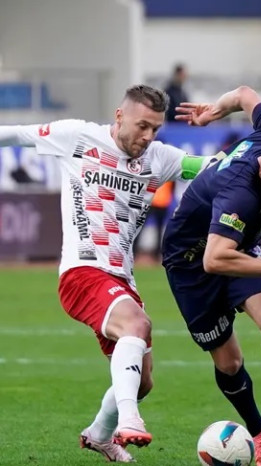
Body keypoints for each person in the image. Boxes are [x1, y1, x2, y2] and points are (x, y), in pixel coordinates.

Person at [0, 84, 218, 462]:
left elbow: (212, 168)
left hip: (121, 279)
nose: (148, 136)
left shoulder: (160, 158)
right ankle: (129, 421)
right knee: (138, 325)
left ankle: (99, 434)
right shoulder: (78, 136)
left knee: (143, 379)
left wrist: (254, 163)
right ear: (119, 116)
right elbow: (15, 135)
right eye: (142, 126)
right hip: (82, 271)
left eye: (155, 129)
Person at [161, 85, 261, 466]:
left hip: (235, 244)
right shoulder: (239, 195)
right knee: (229, 363)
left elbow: (247, 94)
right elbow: (215, 260)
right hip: (191, 260)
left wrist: (215, 110)